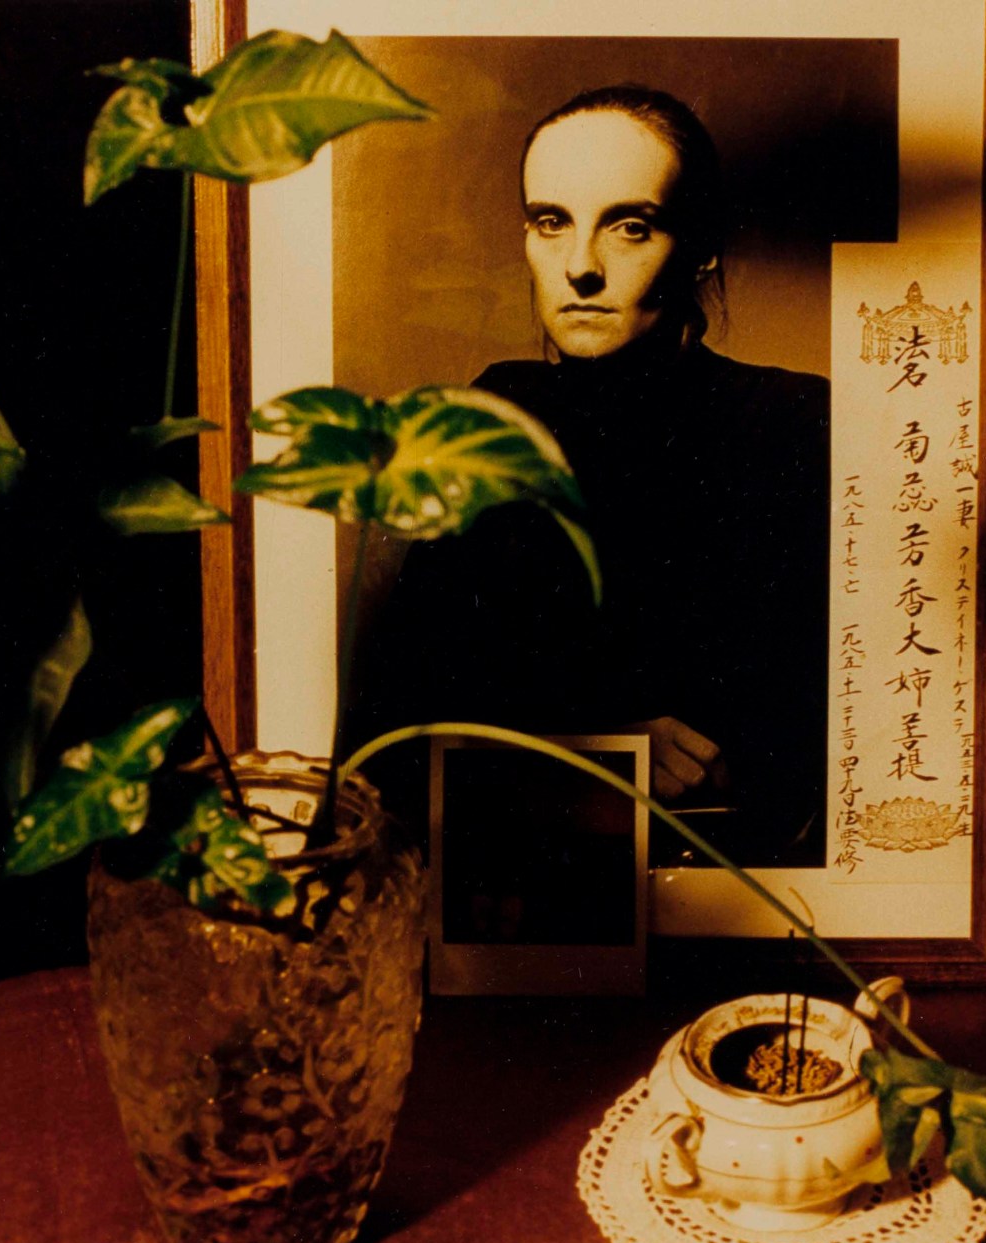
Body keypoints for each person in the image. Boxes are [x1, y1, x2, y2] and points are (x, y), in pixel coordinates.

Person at [355, 85, 829, 869]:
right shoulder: (488, 420)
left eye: (630, 227)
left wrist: (734, 763)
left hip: (729, 889)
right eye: (551, 223)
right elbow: (396, 726)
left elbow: (841, 728)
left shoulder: (792, 423)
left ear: (702, 244)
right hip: (519, 888)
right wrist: (590, 751)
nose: (579, 267)